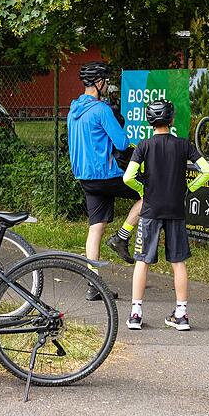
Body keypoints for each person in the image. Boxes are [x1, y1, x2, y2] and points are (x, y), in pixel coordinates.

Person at [122, 100, 209, 331]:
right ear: (171, 120)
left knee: (142, 260)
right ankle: (181, 314)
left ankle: (135, 313)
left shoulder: (144, 146)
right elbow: (207, 171)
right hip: (176, 210)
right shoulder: (184, 145)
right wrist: (189, 188)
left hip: (151, 210)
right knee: (178, 262)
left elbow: (128, 177)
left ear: (149, 121)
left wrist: (144, 190)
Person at [67, 61, 142, 301]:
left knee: (96, 226)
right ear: (99, 83)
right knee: (150, 193)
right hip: (106, 174)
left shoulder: (73, 109)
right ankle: (122, 237)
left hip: (84, 176)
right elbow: (121, 143)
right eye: (106, 81)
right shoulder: (101, 110)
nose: (108, 84)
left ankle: (93, 284)